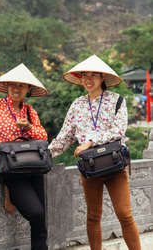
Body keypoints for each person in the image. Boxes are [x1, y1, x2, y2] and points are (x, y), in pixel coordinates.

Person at [48, 54, 141, 250]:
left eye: (93, 75)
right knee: (92, 216)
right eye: (84, 75)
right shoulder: (77, 105)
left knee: (125, 214)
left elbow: (118, 131)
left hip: (114, 164)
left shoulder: (117, 100)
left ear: (102, 78)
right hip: (90, 168)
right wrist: (44, 155)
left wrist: (90, 142)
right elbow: (64, 137)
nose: (88, 79)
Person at [0, 63, 49, 250]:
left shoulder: (29, 111)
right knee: (35, 212)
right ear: (7, 87)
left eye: (21, 85)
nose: (16, 89)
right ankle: (9, 193)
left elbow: (43, 136)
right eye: (12, 85)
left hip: (33, 166)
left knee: (41, 217)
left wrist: (28, 127)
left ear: (28, 88)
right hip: (10, 168)